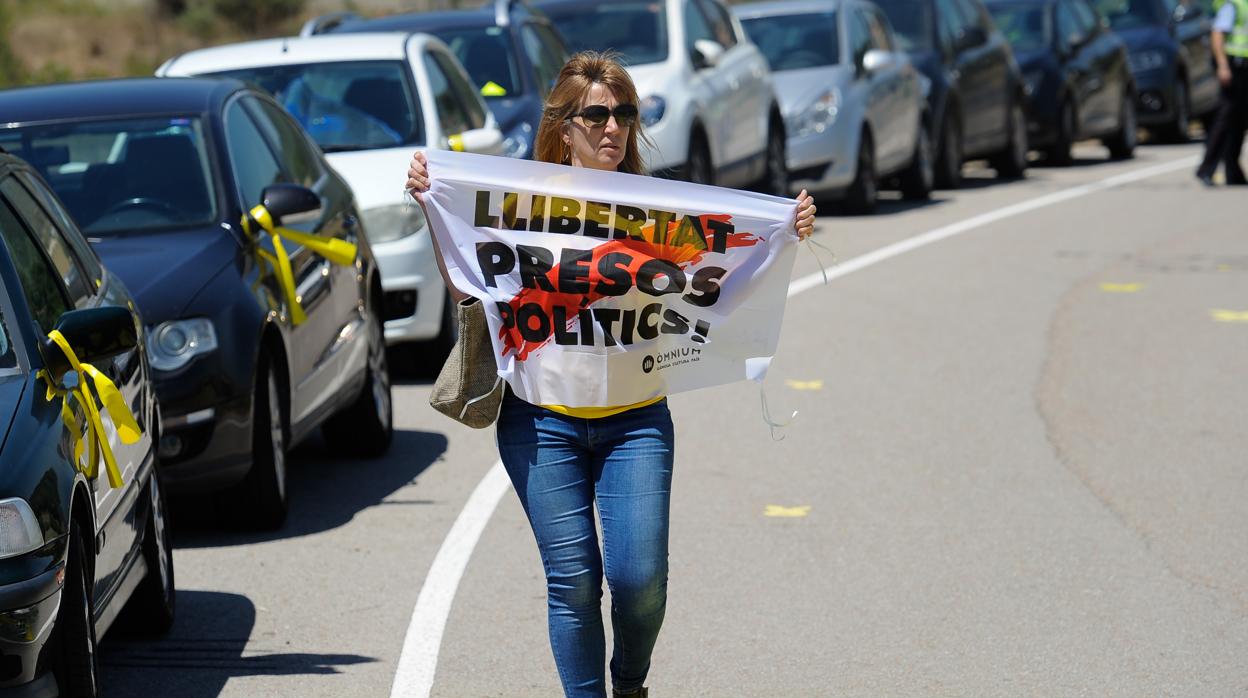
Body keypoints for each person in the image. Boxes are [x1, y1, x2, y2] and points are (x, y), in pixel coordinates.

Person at [406, 51, 816, 698]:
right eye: (596, 114)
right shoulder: (521, 204)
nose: (613, 128)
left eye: (625, 113)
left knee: (639, 579)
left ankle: (631, 683)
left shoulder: (659, 212)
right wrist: (435, 198)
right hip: (538, 422)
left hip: (636, 424)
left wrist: (781, 231)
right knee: (571, 581)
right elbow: (468, 273)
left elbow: (728, 273)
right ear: (562, 127)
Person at [1195, 0, 1248, 186]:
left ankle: (1233, 171)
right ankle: (1206, 169)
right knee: (1225, 118)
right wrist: (1223, 66)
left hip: (1244, 66)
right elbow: (1217, 34)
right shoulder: (1234, 5)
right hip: (1235, 67)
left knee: (1240, 121)